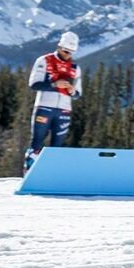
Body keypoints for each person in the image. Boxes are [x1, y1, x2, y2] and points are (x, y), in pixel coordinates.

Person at [24, 31, 82, 173]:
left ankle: (49, 174)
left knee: (57, 147)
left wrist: (72, 90)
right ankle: (29, 173)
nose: (67, 54)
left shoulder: (75, 68)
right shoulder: (44, 60)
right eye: (65, 50)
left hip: (64, 110)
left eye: (71, 52)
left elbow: (78, 94)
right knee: (36, 143)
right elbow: (33, 84)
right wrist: (54, 85)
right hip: (44, 107)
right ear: (59, 46)